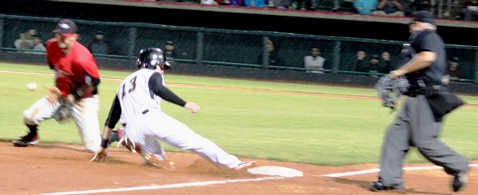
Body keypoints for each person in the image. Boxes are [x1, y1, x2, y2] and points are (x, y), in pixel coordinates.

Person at [90, 47, 255, 170]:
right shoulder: (153, 74)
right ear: (154, 63)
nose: (163, 70)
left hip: (132, 128)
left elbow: (111, 118)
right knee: (195, 141)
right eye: (162, 66)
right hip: (151, 120)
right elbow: (158, 88)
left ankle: (125, 137)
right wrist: (185, 103)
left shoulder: (124, 83)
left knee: (158, 161)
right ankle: (234, 165)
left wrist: (103, 147)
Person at [369, 11, 469, 193]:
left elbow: (427, 58)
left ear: (419, 24)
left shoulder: (428, 35)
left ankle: (459, 165)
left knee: (424, 142)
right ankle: (389, 180)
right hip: (414, 97)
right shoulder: (430, 39)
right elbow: (443, 77)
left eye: (412, 26)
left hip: (426, 96)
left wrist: (400, 72)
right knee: (395, 136)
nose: (411, 30)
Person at [12, 19, 102, 153]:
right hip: (61, 95)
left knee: (93, 147)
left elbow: (93, 83)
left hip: (84, 99)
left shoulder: (82, 58)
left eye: (64, 36)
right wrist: (56, 91)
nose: (60, 38)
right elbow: (57, 70)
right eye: (58, 34)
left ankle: (117, 134)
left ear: (74, 37)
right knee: (29, 116)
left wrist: (73, 97)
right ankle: (32, 136)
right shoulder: (51, 46)